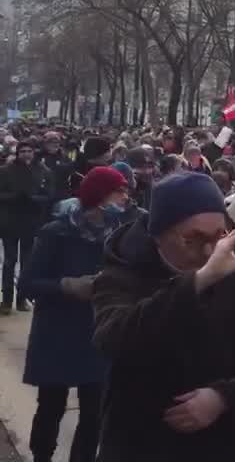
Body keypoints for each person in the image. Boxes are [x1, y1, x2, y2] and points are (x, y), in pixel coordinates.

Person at [91, 171, 235, 462]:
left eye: (219, 236)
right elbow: (114, 340)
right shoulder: (121, 276)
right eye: (193, 239)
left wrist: (225, 397)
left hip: (229, 445)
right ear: (158, 235)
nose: (208, 250)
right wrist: (198, 282)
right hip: (141, 445)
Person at [19, 166, 129, 462]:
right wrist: (66, 286)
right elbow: (28, 283)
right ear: (100, 195)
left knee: (94, 412)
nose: (125, 197)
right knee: (51, 406)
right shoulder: (57, 232)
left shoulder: (120, 235)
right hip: (57, 331)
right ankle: (42, 455)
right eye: (119, 191)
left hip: (97, 334)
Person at [0, 138, 52, 314]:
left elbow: (48, 195)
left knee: (27, 262)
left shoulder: (43, 171)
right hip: (10, 222)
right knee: (9, 261)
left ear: (34, 152)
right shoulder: (6, 171)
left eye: (29, 151)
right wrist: (14, 197)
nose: (26, 154)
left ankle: (22, 299)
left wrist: (33, 199)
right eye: (23, 151)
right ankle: (6, 300)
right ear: (17, 153)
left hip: (31, 222)